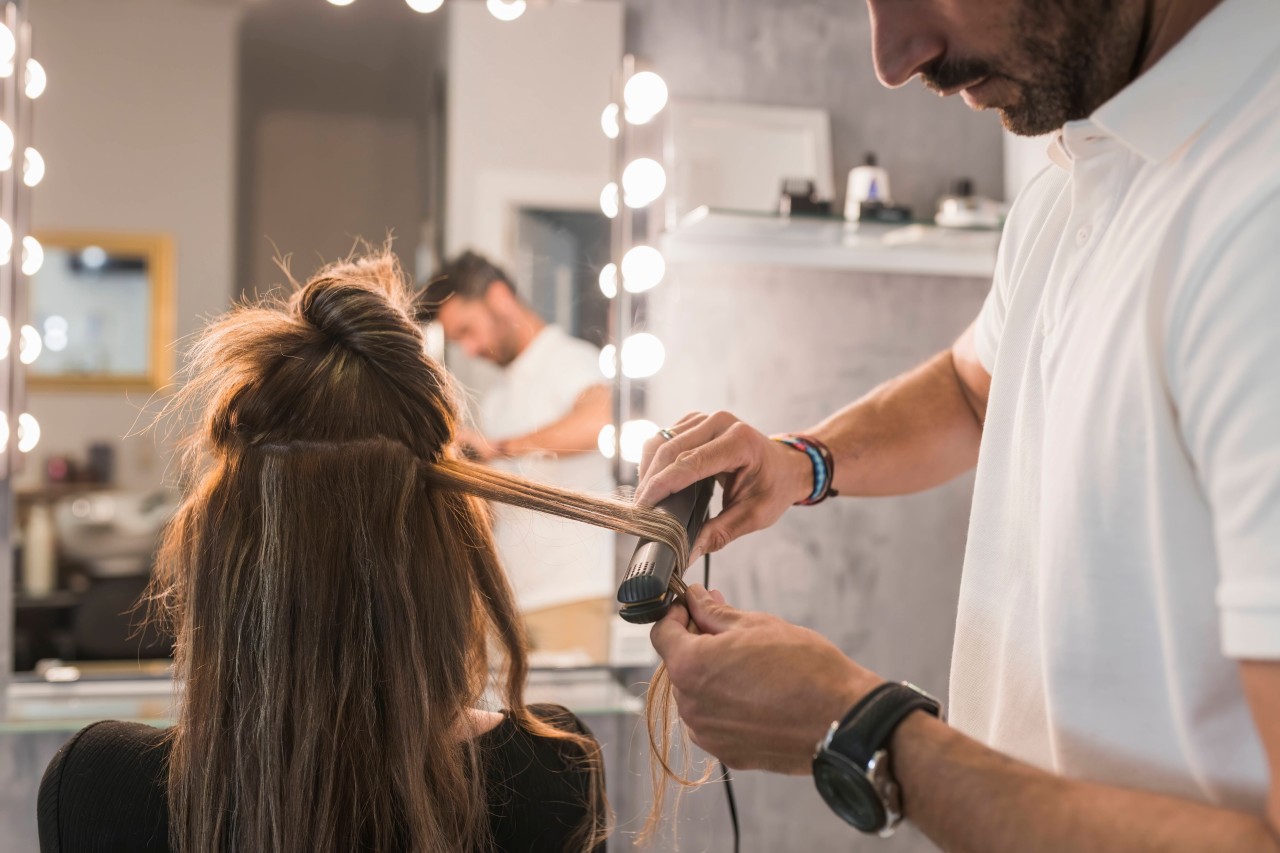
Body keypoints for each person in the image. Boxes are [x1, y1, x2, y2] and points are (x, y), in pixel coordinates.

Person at [638, 0, 1280, 850]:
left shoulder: (1258, 223)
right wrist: (801, 463)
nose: (895, 56)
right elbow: (975, 385)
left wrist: (858, 727)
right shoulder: (1081, 166)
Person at [36, 252, 688, 853]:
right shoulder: (548, 775)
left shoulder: (95, 786)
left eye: (466, 331)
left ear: (221, 558)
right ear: (443, 555)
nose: (470, 346)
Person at [420, 251, 615, 664]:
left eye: (468, 331)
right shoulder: (497, 398)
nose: (470, 350)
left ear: (500, 298)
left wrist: (501, 447)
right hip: (511, 601)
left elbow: (602, 419)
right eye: (459, 341)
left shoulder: (568, 359)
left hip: (572, 594)